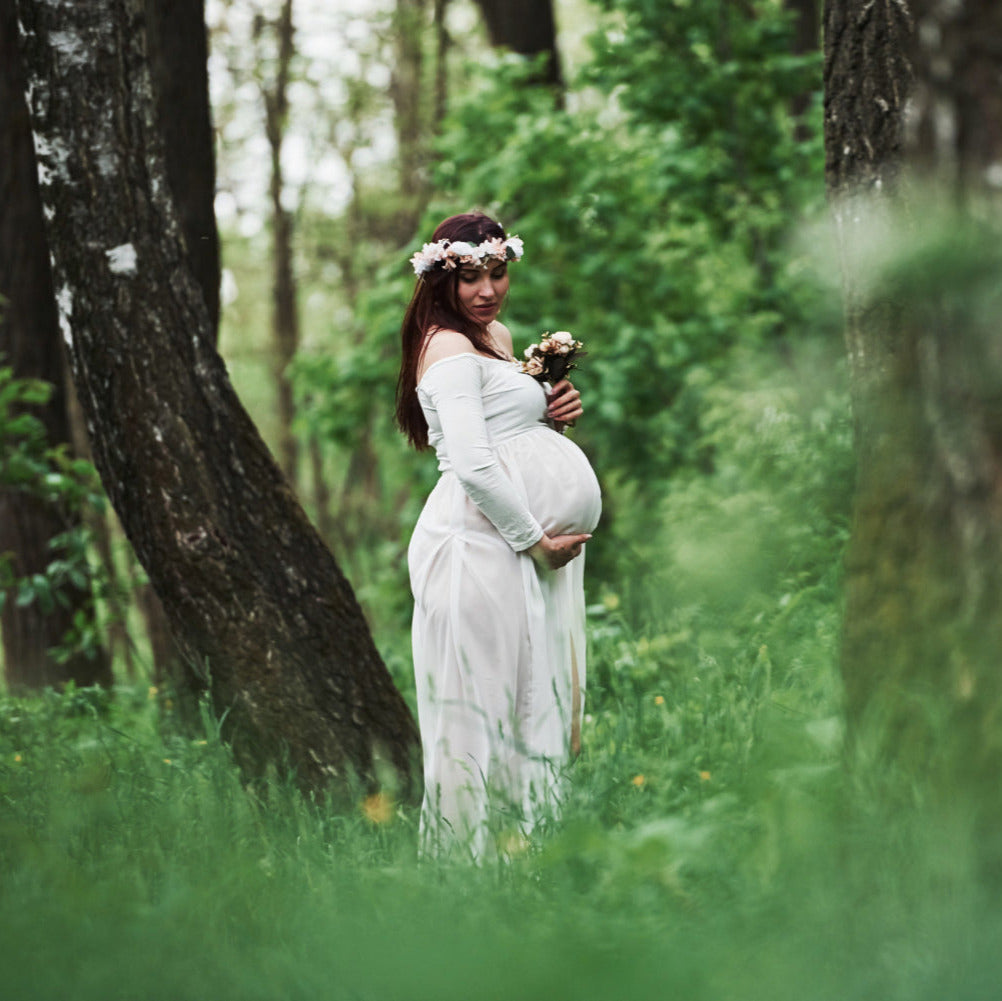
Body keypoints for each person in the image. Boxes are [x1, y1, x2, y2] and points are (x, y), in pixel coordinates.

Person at [396, 211, 601, 858]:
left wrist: (553, 413)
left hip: (506, 549)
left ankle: (526, 868)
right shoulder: (447, 346)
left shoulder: (495, 337)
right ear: (441, 279)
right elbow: (474, 461)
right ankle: (468, 883)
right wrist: (534, 541)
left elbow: (507, 437)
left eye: (499, 273)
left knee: (525, 702)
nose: (487, 290)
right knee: (479, 713)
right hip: (474, 548)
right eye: (471, 278)